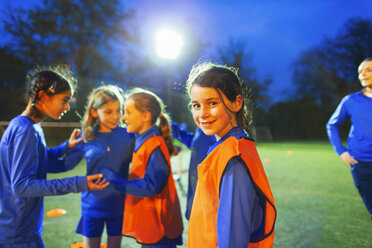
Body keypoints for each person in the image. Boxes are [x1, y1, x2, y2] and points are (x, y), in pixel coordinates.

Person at [0, 65, 109, 248]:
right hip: (18, 233)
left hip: (20, 228)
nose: (67, 107)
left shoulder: (28, 125)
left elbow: (40, 160)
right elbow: (21, 186)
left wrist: (66, 147)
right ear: (43, 96)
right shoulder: (25, 129)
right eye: (64, 100)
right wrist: (79, 183)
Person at [185, 62, 276, 247]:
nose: (202, 113)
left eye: (212, 103)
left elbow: (232, 238)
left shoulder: (232, 157)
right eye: (196, 105)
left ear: (237, 102)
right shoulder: (233, 146)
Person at [101, 88, 183, 248]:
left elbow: (152, 185)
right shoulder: (141, 139)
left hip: (160, 223)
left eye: (128, 112)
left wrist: (117, 182)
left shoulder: (154, 143)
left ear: (146, 116)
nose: (123, 118)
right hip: (150, 221)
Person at [63, 85, 135, 248]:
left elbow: (142, 162)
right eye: (108, 111)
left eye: (118, 110)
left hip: (118, 205)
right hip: (92, 206)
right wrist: (61, 149)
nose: (115, 116)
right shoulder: (87, 137)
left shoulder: (129, 136)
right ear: (95, 112)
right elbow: (65, 165)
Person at [326, 58, 372, 218]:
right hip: (361, 164)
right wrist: (341, 151)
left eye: (369, 70)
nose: (363, 75)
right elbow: (332, 125)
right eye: (360, 71)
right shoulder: (350, 101)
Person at [170, 123, 215, 219]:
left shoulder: (216, 128)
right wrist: (171, 126)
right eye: (196, 106)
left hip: (207, 208)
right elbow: (197, 144)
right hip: (196, 202)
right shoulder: (202, 128)